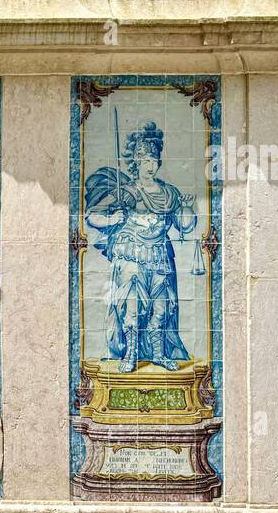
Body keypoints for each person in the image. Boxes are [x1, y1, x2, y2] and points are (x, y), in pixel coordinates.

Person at [84, 121, 196, 373]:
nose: (151, 165)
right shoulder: (127, 192)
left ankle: (158, 353)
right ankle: (131, 353)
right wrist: (115, 218)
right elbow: (92, 216)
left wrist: (187, 207)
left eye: (154, 160)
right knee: (131, 305)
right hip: (131, 252)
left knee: (161, 306)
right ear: (136, 162)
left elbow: (186, 226)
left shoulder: (169, 193)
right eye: (145, 161)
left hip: (159, 255)